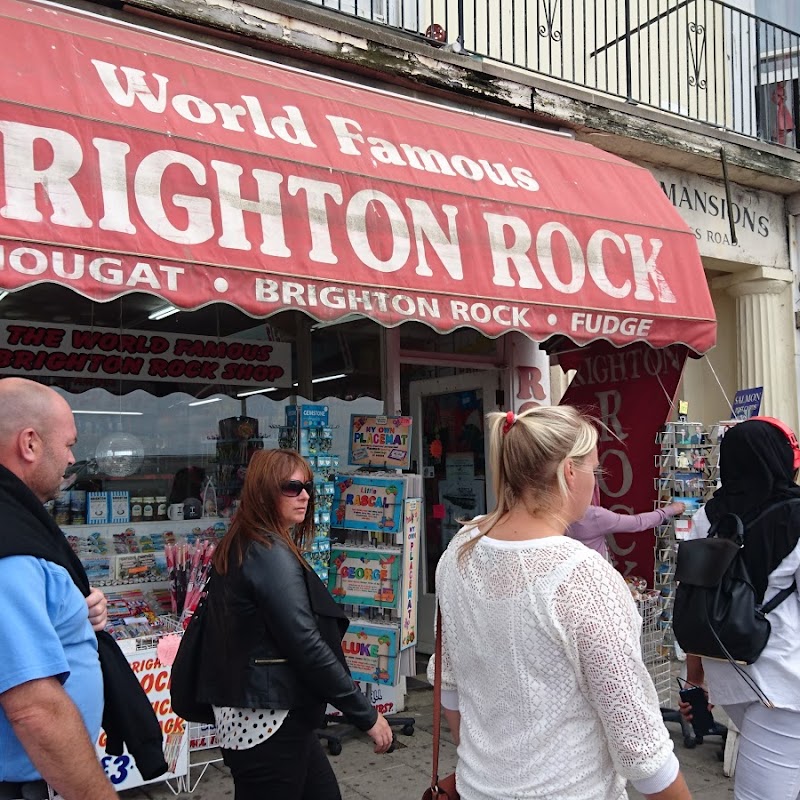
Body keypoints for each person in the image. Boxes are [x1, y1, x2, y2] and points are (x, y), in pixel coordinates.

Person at [428, 406, 691, 800]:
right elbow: (639, 741)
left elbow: (447, 684)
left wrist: (492, 765)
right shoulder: (582, 575)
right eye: (594, 470)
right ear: (569, 471)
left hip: (477, 787)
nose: (595, 482)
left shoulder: (460, 548)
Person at [196, 448, 393, 800]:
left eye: (307, 487)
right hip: (266, 721)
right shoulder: (267, 552)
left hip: (269, 714)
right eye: (291, 487)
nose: (304, 495)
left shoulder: (251, 543)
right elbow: (306, 644)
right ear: (263, 491)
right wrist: (365, 714)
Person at [0, 377, 118, 800]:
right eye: (68, 444)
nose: (71, 459)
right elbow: (34, 709)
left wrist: (73, 613)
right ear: (29, 444)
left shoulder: (18, 524)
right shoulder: (10, 548)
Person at [677, 417, 800, 800]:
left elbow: (695, 599)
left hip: (729, 669)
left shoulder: (707, 518)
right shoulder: (796, 515)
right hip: (783, 679)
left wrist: (694, 677)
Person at [567, 494, 686, 560]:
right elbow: (637, 523)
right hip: (593, 579)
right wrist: (670, 510)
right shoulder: (591, 516)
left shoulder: (553, 512)